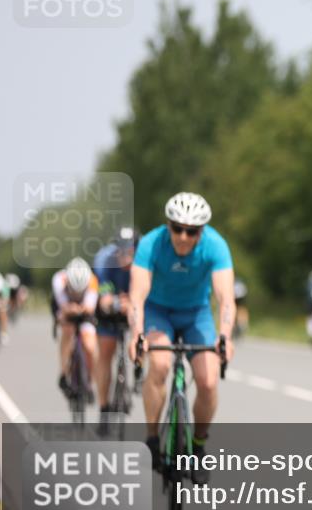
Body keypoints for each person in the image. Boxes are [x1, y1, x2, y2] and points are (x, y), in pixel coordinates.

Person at [127, 192, 236, 485]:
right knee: (160, 365)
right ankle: (152, 437)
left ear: (202, 231)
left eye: (192, 231)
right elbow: (137, 295)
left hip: (196, 314)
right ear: (168, 225)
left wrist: (224, 336)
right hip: (158, 311)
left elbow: (226, 298)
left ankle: (198, 447)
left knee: (209, 379)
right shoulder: (151, 244)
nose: (184, 237)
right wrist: (137, 334)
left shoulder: (216, 246)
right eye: (177, 228)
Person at [93, 227, 140, 435]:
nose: (124, 255)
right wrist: (114, 303)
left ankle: (140, 370)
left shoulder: (144, 263)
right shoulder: (105, 261)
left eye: (130, 251)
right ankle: (104, 409)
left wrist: (132, 304)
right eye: (120, 250)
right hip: (110, 309)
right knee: (105, 353)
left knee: (147, 331)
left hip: (135, 307)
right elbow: (103, 300)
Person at [51, 258, 99, 398]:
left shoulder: (93, 281)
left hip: (84, 310)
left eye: (80, 291)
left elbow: (90, 308)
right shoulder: (59, 280)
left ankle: (89, 381)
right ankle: (64, 372)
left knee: (90, 346)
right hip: (63, 307)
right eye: (74, 290)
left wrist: (80, 309)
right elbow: (64, 307)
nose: (77, 293)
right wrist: (70, 310)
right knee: (67, 330)